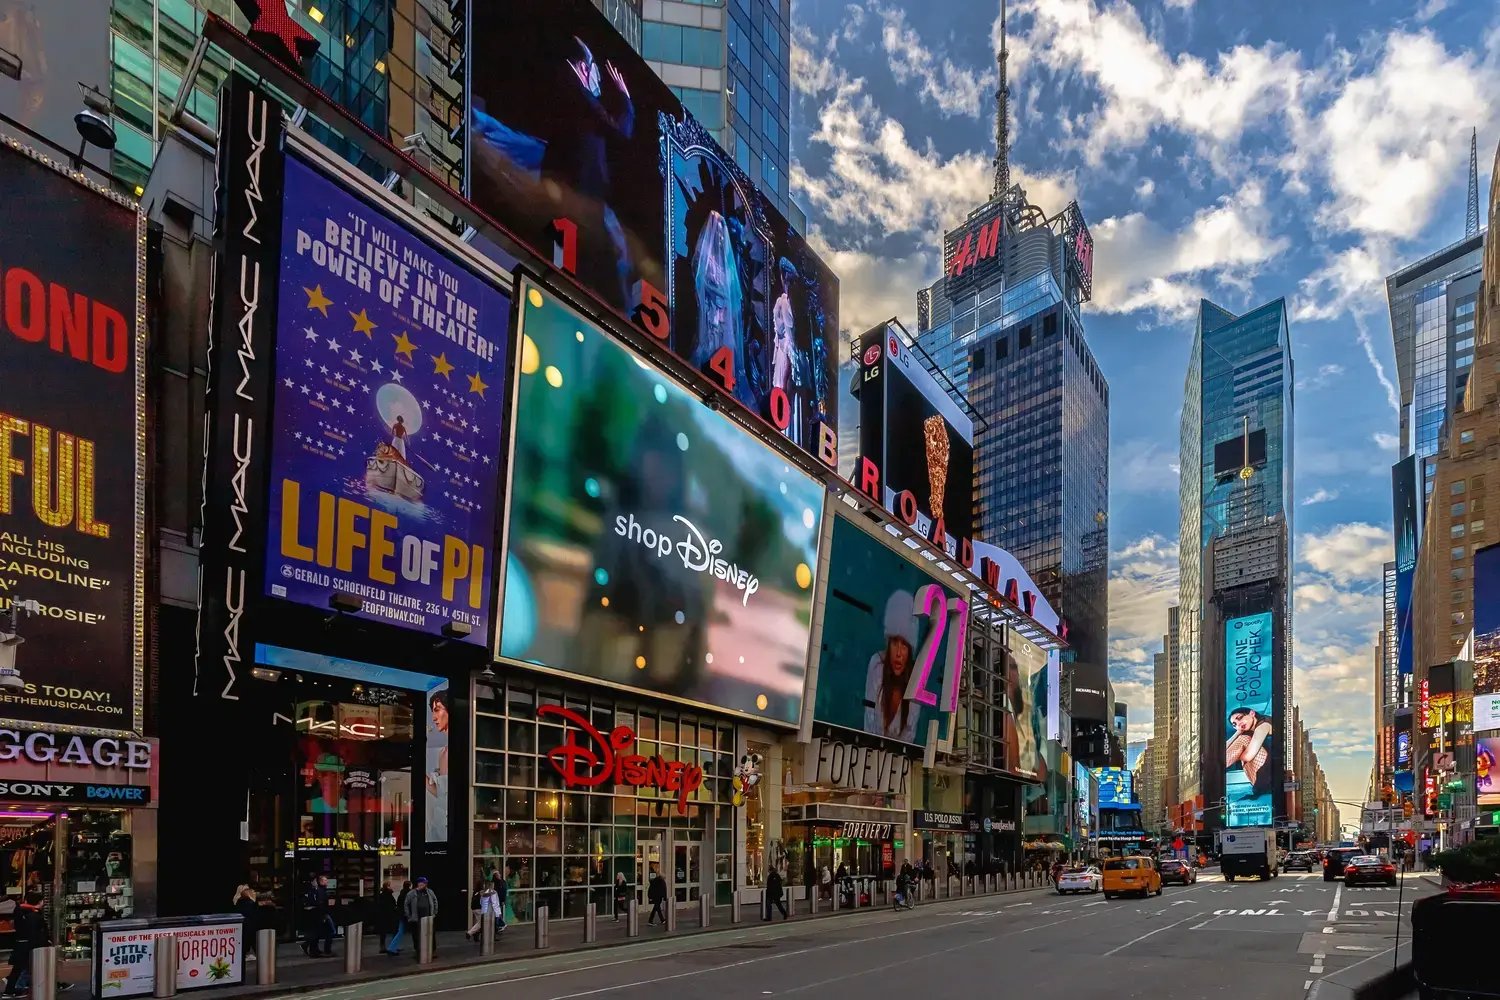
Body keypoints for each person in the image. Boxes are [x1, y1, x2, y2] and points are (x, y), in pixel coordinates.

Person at [864, 592, 920, 742]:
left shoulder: (916, 680)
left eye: (904, 645)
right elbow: (869, 723)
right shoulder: (876, 665)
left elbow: (909, 736)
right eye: (895, 642)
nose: (899, 654)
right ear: (888, 643)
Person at [1225, 707, 1275, 796]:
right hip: (1262, 780)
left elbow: (1247, 756)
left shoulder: (1264, 725)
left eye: (1239, 718)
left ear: (1252, 713)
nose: (1238, 724)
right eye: (1234, 724)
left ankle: (1213, 763)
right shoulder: (1247, 731)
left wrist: (1239, 754)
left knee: (1244, 740)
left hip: (1272, 778)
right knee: (1243, 738)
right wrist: (1237, 732)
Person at [4, 890, 46, 996]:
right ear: (40, 902)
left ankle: (13, 986)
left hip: (21, 943)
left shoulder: (21, 911)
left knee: (21, 967)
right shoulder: (33, 915)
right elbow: (36, 932)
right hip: (28, 944)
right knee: (23, 967)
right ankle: (14, 988)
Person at [403, 876, 439, 960]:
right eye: (423, 883)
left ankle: (432, 951)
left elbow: (435, 901)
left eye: (426, 883)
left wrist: (434, 913)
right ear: (419, 884)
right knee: (416, 935)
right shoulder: (411, 893)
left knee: (431, 934)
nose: (425, 884)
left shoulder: (430, 892)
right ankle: (417, 951)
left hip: (428, 918)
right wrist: (409, 916)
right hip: (416, 919)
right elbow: (406, 905)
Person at [300, 874, 335, 958]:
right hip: (321, 914)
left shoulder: (317, 890)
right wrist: (324, 914)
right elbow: (320, 903)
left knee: (318, 932)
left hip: (319, 913)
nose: (327, 882)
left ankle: (313, 948)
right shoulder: (318, 891)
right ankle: (318, 949)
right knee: (329, 931)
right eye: (325, 880)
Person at [234, 885, 260, 964]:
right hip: (248, 924)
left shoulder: (238, 901)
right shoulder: (247, 902)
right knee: (250, 938)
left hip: (245, 925)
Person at [386, 880, 413, 955]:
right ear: (409, 886)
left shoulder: (402, 892)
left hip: (400, 914)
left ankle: (394, 946)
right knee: (400, 931)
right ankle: (392, 948)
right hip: (404, 914)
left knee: (399, 930)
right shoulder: (409, 893)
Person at [374, 882, 401, 955]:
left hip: (384, 916)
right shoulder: (387, 895)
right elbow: (391, 905)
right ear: (387, 887)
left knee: (384, 932)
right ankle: (393, 946)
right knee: (393, 930)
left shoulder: (383, 895)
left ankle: (384, 946)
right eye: (389, 886)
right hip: (389, 915)